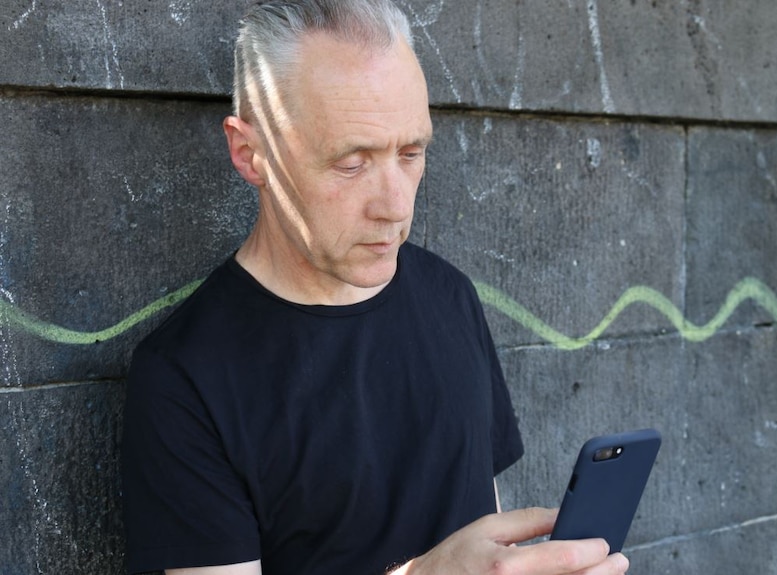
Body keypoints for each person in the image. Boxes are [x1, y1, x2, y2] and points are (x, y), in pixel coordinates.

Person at [121, 1, 630, 574]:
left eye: (411, 154)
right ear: (250, 153)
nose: (396, 206)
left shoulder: (450, 297)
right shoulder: (185, 377)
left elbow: (483, 543)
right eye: (351, 163)